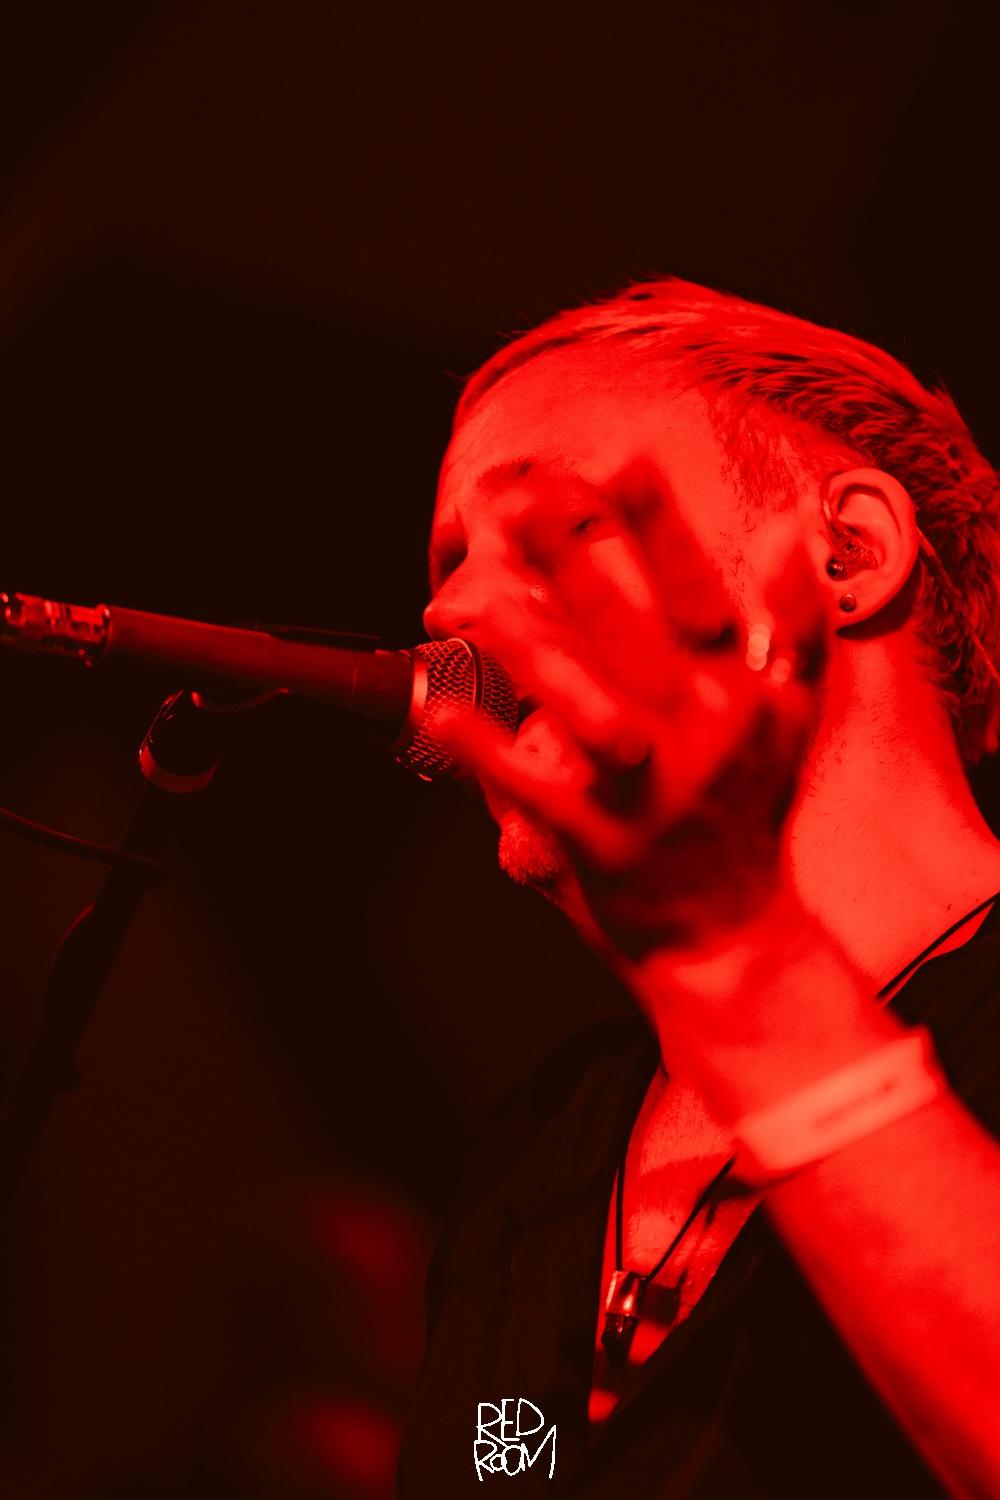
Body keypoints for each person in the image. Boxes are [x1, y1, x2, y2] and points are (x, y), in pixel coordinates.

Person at [395, 279, 1000, 1497]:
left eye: (553, 526)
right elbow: (504, 1465)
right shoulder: (538, 1158)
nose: (446, 610)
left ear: (848, 551)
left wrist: (744, 962)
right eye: (451, 562)